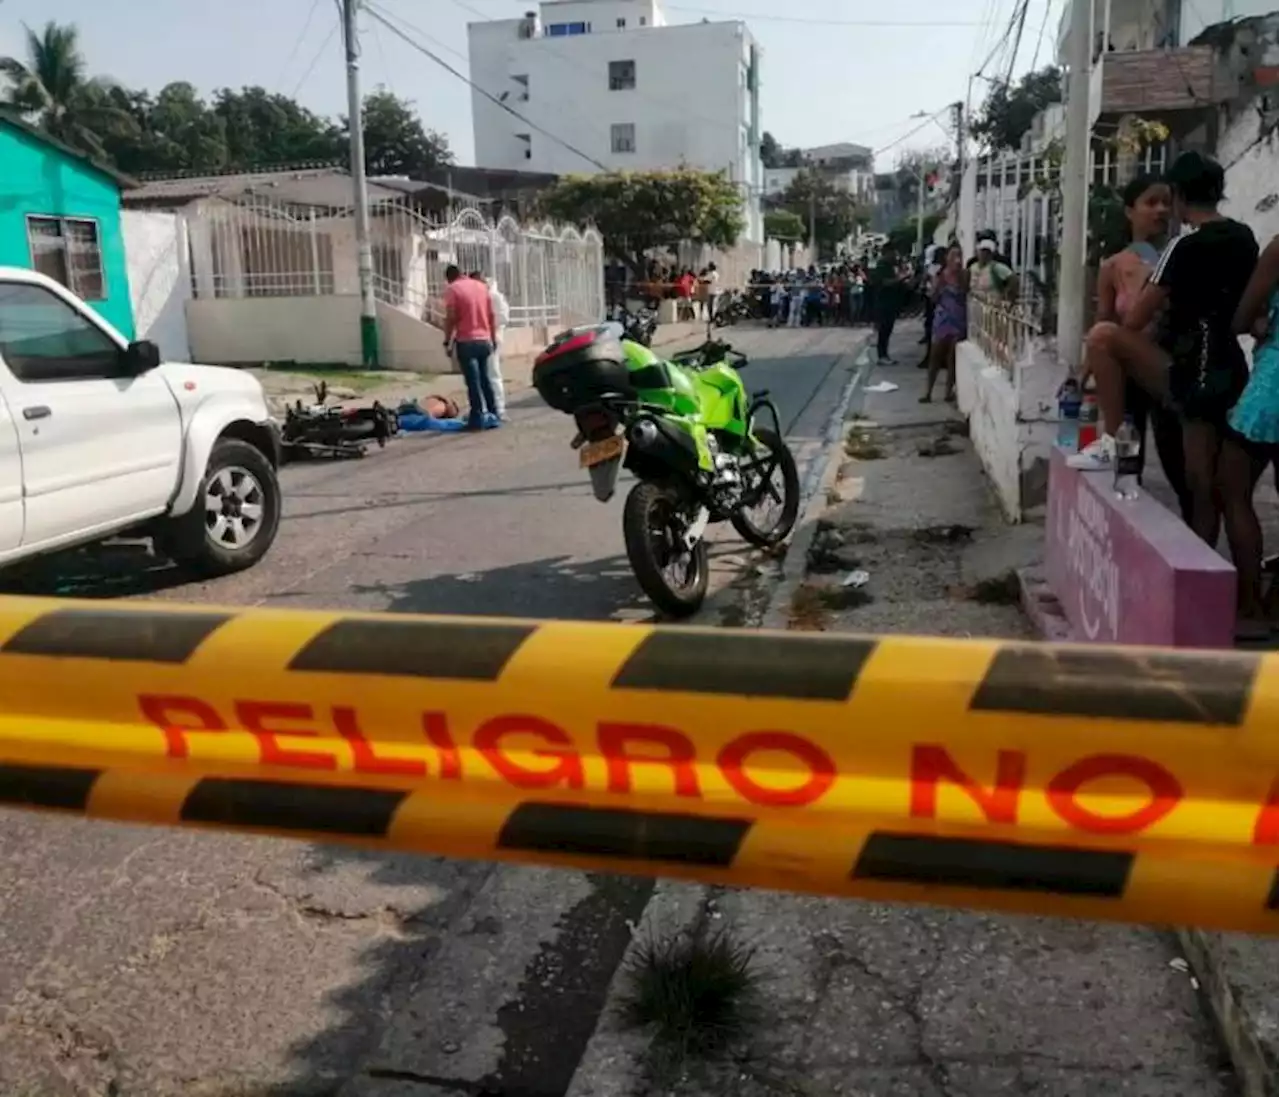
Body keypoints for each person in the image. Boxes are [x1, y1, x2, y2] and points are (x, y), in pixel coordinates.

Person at [1070, 151, 1258, 551]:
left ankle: (1112, 442)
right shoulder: (1244, 237)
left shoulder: (1182, 247)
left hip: (1189, 370)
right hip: (1230, 365)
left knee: (1104, 335)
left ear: (1177, 195)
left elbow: (1135, 319)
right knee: (1220, 491)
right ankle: (1242, 592)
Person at [1085, 175, 1191, 522]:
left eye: (1166, 201)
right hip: (1127, 377)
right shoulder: (1113, 266)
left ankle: (1197, 540)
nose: (1161, 209)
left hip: (1168, 369)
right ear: (1130, 211)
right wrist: (1083, 374)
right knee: (1129, 464)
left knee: (1182, 468)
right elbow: (1102, 321)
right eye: (1151, 202)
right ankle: (1125, 530)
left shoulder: (1182, 256)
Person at [1221, 234, 1280, 634]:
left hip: (1273, 386)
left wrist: (1260, 321)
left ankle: (1250, 604)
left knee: (1232, 487)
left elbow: (1240, 319)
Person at [442, 264, 500, 430]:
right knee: (485, 379)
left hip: (466, 341)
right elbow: (491, 316)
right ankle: (493, 412)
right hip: (485, 339)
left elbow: (451, 317)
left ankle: (477, 417)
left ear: (449, 278)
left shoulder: (453, 289)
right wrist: (493, 339)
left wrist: (447, 340)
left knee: (473, 381)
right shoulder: (482, 287)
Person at [920, 244, 967, 404]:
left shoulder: (963, 275)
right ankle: (928, 392)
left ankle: (948, 391)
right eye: (953, 256)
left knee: (952, 357)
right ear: (947, 257)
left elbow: (967, 293)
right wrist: (937, 285)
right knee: (935, 355)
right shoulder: (940, 275)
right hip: (942, 318)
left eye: (959, 256)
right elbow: (933, 298)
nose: (956, 260)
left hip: (958, 317)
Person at [474, 271, 510, 421]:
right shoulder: (480, 295)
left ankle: (499, 409)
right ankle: (485, 408)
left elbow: (503, 318)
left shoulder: (494, 296)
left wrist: (489, 329)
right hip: (480, 338)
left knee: (492, 374)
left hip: (492, 339)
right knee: (481, 376)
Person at [871, 245, 907, 364]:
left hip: (890, 302)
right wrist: (900, 279)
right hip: (884, 302)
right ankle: (882, 356)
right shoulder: (882, 266)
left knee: (887, 329)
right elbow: (885, 282)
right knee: (884, 329)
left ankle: (884, 355)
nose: (895, 256)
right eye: (893, 253)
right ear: (887, 253)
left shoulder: (891, 266)